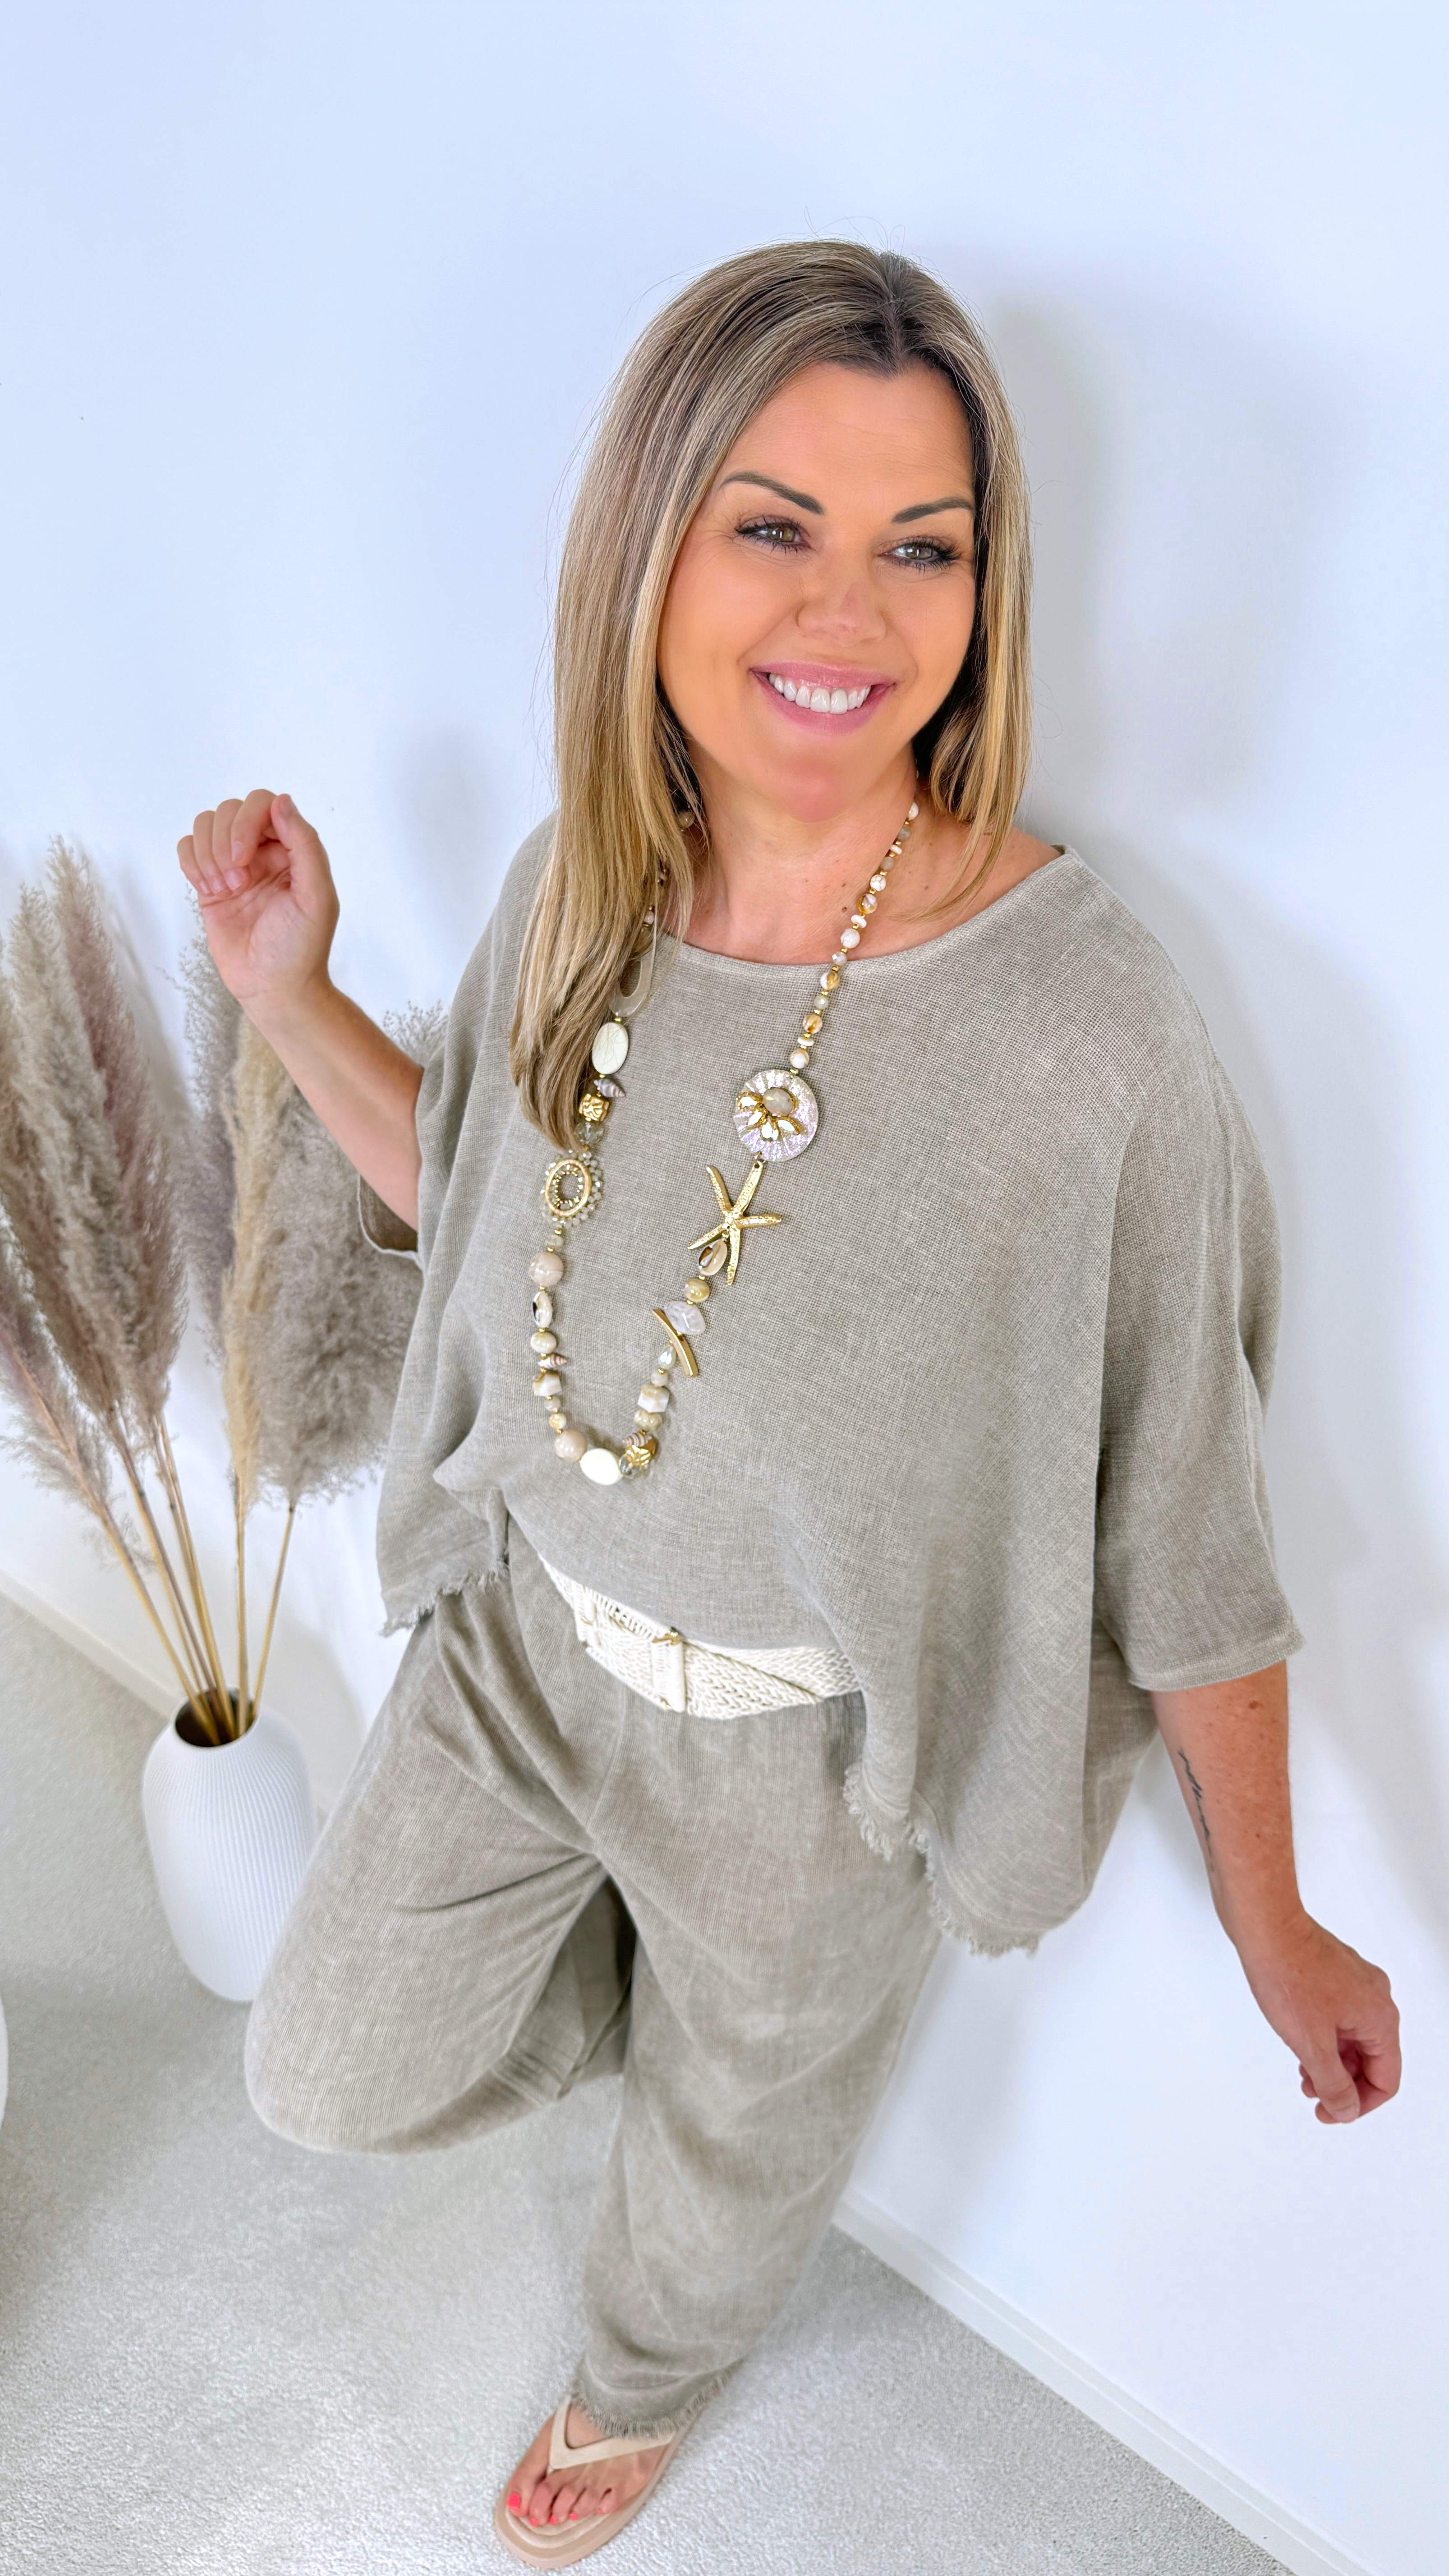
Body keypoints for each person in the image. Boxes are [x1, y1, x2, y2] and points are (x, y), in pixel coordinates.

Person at [177, 240, 1400, 2565]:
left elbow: (1183, 1518)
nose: (853, 612)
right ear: (647, 546)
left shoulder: (1085, 1028)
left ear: (987, 589)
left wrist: (1275, 1924)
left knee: (722, 2187)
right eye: (775, 525)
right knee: (324, 2071)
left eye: (923, 547)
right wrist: (287, 991)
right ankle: (654, 1996)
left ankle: (648, 2378)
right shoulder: (576, 889)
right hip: (518, 1657)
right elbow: (479, 1196)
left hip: (812, 1772)